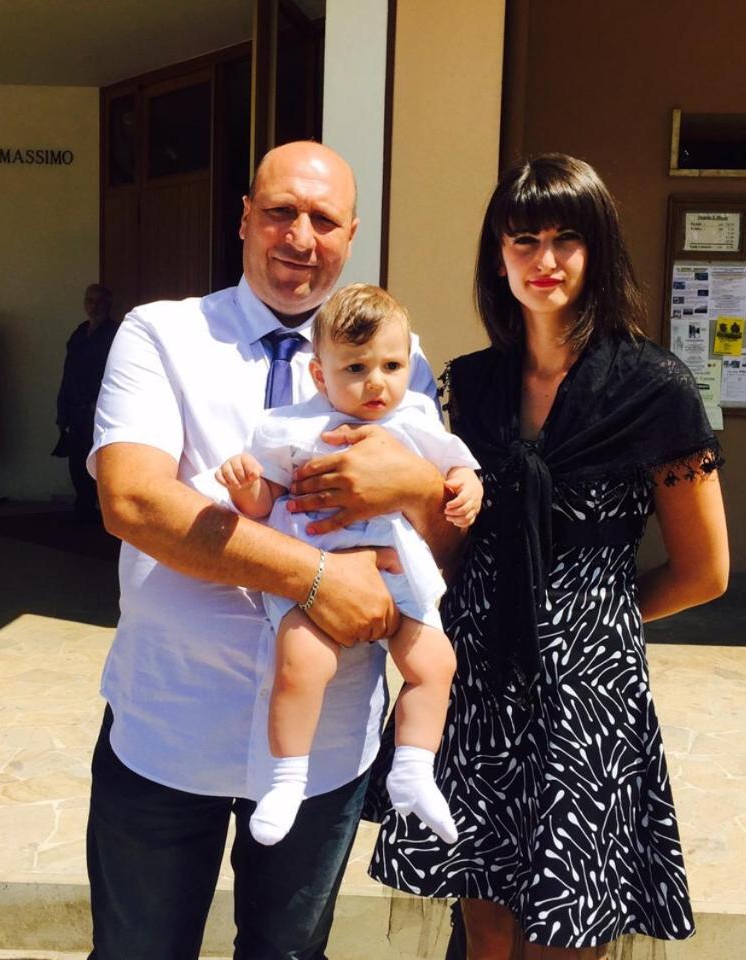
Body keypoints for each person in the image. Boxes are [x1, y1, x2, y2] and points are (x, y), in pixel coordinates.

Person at [85, 141, 461, 960]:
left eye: (323, 219)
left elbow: (439, 536)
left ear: (351, 234)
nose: (300, 236)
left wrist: (421, 490)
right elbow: (134, 501)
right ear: (245, 218)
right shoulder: (162, 334)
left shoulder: (398, 362)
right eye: (281, 212)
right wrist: (318, 577)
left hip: (326, 743)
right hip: (171, 723)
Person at [367, 154, 730, 960]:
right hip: (481, 678)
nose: (545, 259)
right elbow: (456, 541)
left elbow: (705, 571)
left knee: (571, 928)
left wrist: (594, 619)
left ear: (598, 249)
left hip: (587, 692)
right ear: (498, 255)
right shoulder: (471, 386)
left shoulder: (655, 388)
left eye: (567, 238)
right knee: (486, 927)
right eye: (523, 239)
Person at [214, 283, 482, 847]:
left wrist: (466, 487)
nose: (377, 382)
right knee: (300, 664)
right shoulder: (291, 427)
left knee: (435, 663)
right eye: (356, 368)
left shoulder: (416, 417)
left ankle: (413, 770)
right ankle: (287, 779)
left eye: (392, 365)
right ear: (320, 375)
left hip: (398, 574)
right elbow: (262, 503)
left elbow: (454, 467)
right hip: (316, 573)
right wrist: (244, 486)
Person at [53, 283, 118, 520]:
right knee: (77, 464)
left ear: (108, 304)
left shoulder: (116, 334)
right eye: (90, 301)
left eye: (99, 301)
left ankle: (108, 516)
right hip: (75, 411)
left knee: (103, 465)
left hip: (100, 412)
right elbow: (68, 372)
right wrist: (62, 410)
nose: (94, 306)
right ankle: (84, 511)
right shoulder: (79, 334)